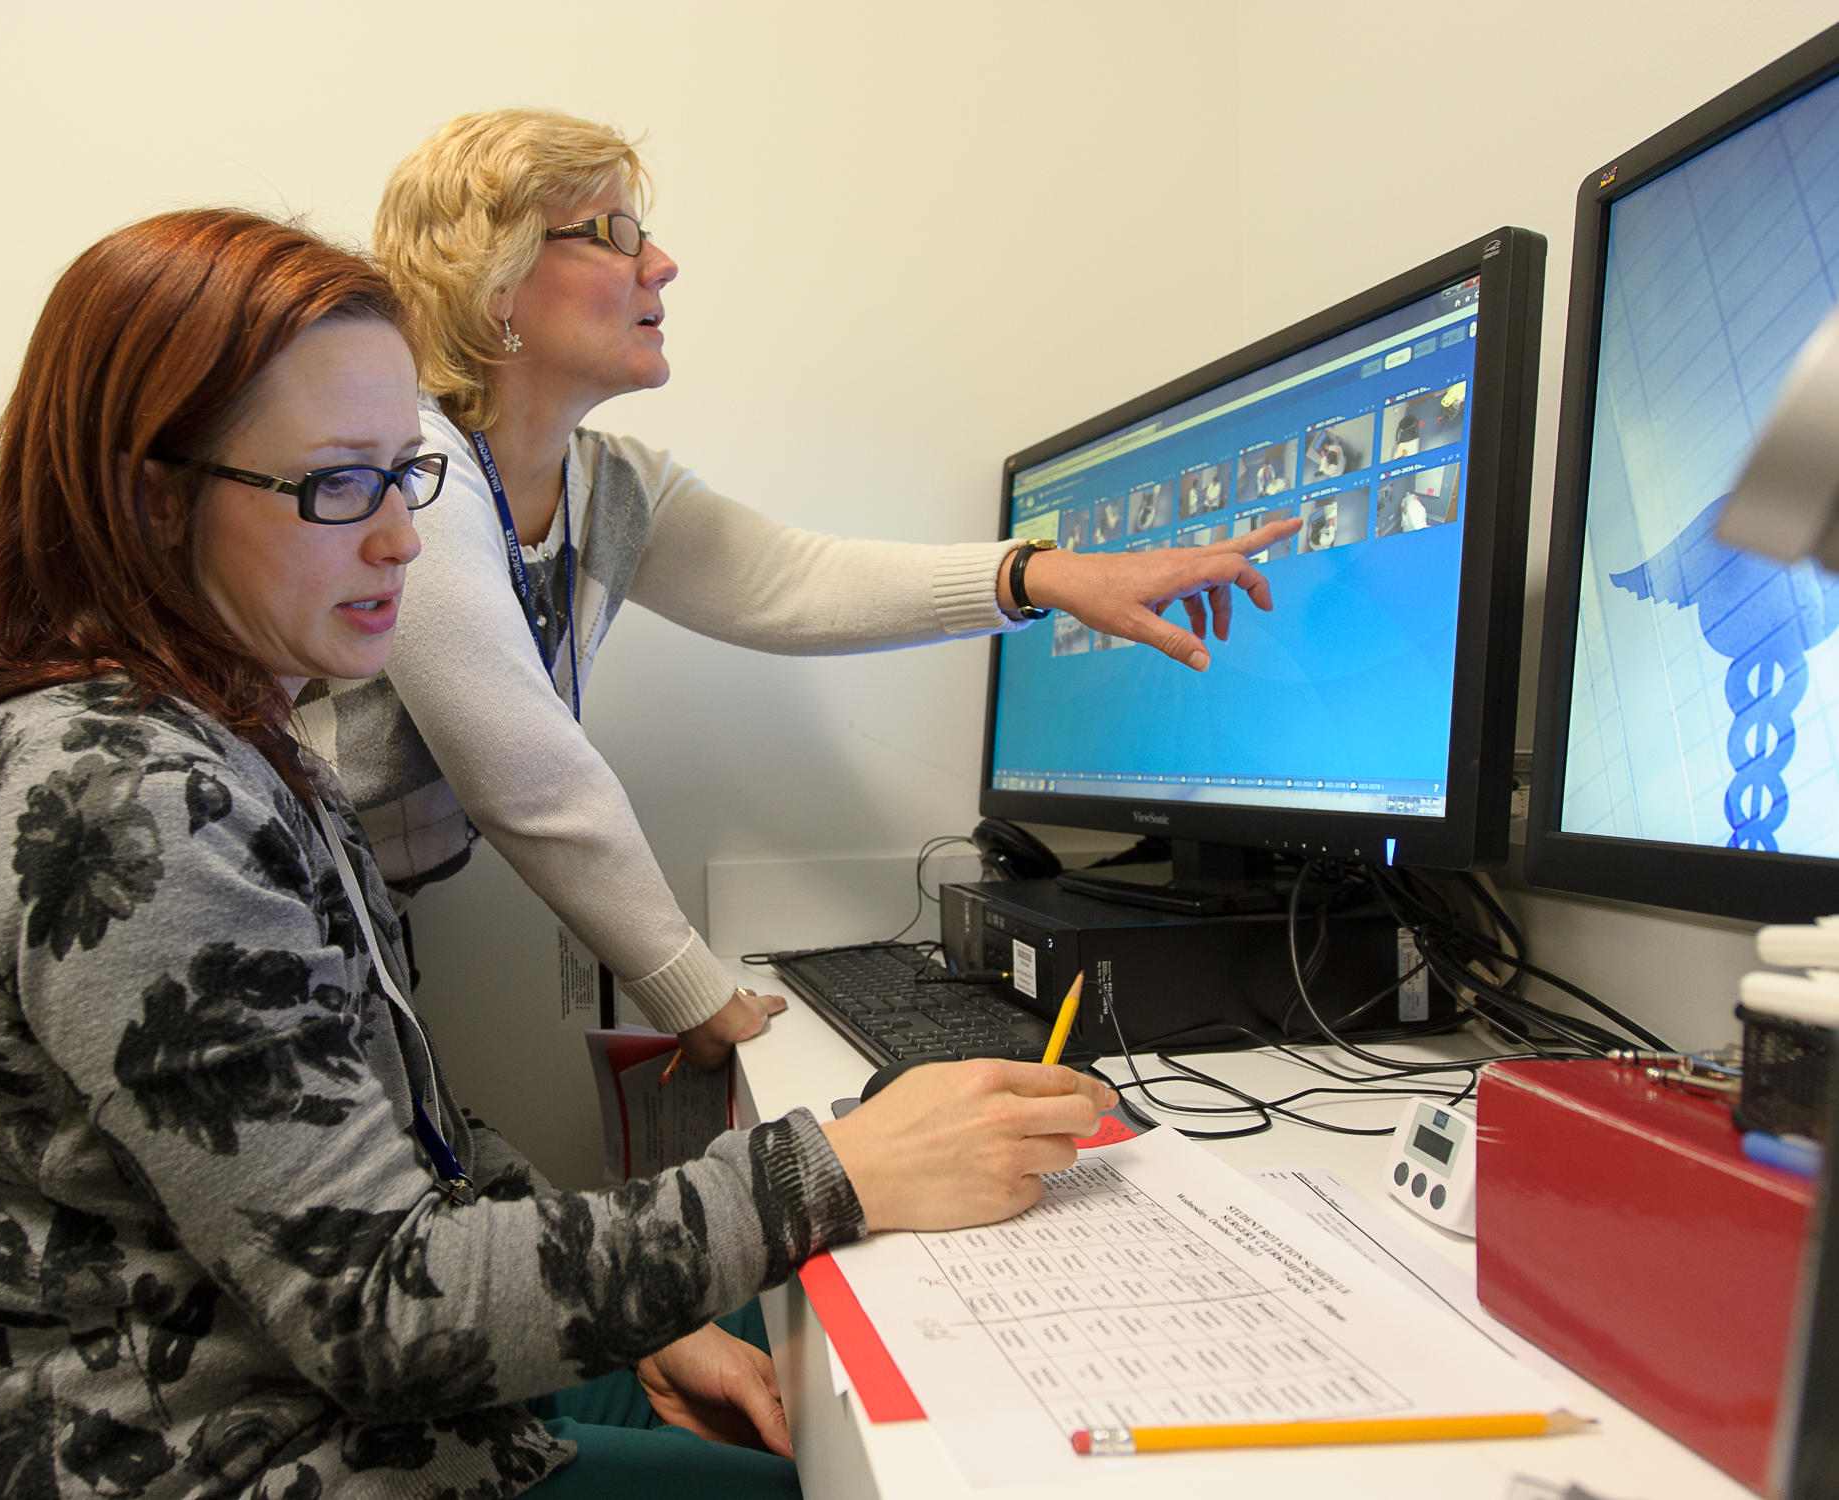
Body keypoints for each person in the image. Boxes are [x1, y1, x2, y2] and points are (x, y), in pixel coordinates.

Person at [0, 207, 1122, 1500]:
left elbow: (403, 1141)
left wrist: (654, 1325)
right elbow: (379, 1312)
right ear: (149, 499)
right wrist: (831, 1175)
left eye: (407, 474)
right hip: (210, 1450)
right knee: (856, 1468)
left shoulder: (244, 744)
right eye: (338, 484)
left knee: (812, 1355)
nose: (399, 537)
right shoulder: (129, 800)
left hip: (306, 1369)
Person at [311, 109, 1299, 1067]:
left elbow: (791, 583)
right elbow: (524, 769)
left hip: (361, 917)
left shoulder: (604, 483)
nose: (663, 263)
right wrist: (691, 992)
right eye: (615, 234)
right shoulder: (415, 466)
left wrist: (1042, 573)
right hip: (281, 901)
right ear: (494, 282)